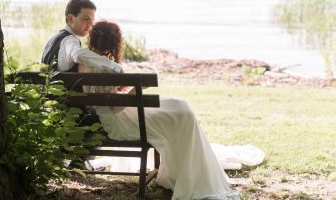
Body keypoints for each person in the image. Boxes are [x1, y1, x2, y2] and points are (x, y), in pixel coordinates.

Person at [78, 20, 241, 200]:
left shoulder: (85, 60)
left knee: (178, 106)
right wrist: (136, 90)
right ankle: (187, 171)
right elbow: (117, 108)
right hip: (120, 121)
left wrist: (120, 93)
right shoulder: (107, 68)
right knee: (182, 114)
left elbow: (99, 99)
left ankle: (183, 168)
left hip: (110, 115)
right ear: (114, 42)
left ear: (94, 38)